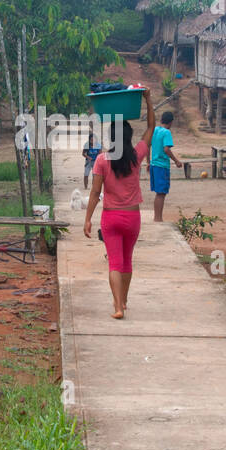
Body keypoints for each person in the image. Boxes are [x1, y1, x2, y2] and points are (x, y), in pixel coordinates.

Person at [83, 88, 155, 319]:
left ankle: (117, 307)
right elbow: (151, 128)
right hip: (132, 218)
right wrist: (148, 100)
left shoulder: (102, 160)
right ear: (129, 137)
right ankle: (124, 299)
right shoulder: (137, 156)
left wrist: (87, 220)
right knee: (127, 262)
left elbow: (95, 193)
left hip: (110, 217)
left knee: (114, 263)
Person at [150, 110, 183, 221]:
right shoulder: (166, 132)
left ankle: (157, 217)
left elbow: (148, 145)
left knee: (158, 193)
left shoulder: (155, 130)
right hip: (162, 166)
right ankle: (158, 219)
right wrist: (176, 161)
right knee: (161, 193)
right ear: (171, 122)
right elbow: (166, 149)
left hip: (154, 164)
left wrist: (148, 161)